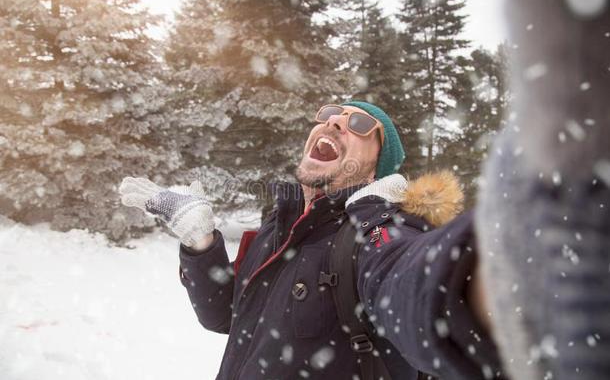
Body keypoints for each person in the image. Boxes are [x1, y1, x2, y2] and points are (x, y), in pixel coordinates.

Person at [119, 101, 504, 379]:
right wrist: (200, 242)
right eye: (328, 114)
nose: (334, 122)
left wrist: (485, 287)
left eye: (358, 123)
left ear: (377, 169)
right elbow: (225, 317)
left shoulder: (377, 235)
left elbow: (420, 292)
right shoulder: (279, 227)